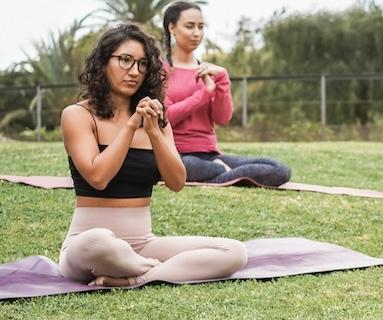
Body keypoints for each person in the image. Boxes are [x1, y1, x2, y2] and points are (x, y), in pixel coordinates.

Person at [59, 23, 247, 287]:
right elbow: (98, 177)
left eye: (142, 63)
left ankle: (140, 276)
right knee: (98, 241)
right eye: (125, 60)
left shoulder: (156, 120)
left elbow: (176, 182)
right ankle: (163, 270)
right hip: (88, 246)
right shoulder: (78, 115)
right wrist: (130, 126)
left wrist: (155, 133)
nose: (134, 71)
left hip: (143, 245)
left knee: (234, 252)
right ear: (102, 63)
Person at [161, 1, 291, 187]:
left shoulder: (210, 72)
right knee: (189, 165)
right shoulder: (160, 71)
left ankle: (222, 174)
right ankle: (226, 174)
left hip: (211, 155)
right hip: (176, 154)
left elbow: (222, 118)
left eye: (201, 26)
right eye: (189, 26)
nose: (196, 33)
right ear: (172, 27)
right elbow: (166, 118)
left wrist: (223, 80)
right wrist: (204, 94)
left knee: (279, 168)